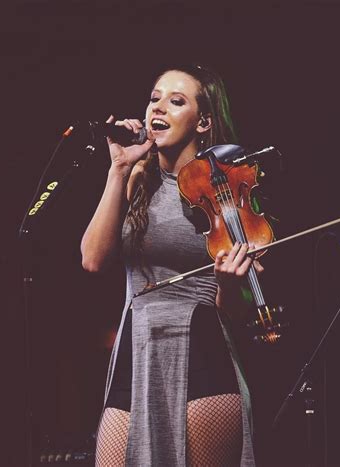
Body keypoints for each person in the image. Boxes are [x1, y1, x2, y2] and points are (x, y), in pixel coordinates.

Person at [81, 64, 261, 466]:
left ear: (203, 122)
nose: (158, 108)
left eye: (176, 101)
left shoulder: (225, 191)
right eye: (154, 98)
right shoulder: (136, 177)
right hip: (137, 347)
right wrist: (118, 169)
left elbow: (239, 312)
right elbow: (92, 259)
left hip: (202, 351)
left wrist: (229, 284)